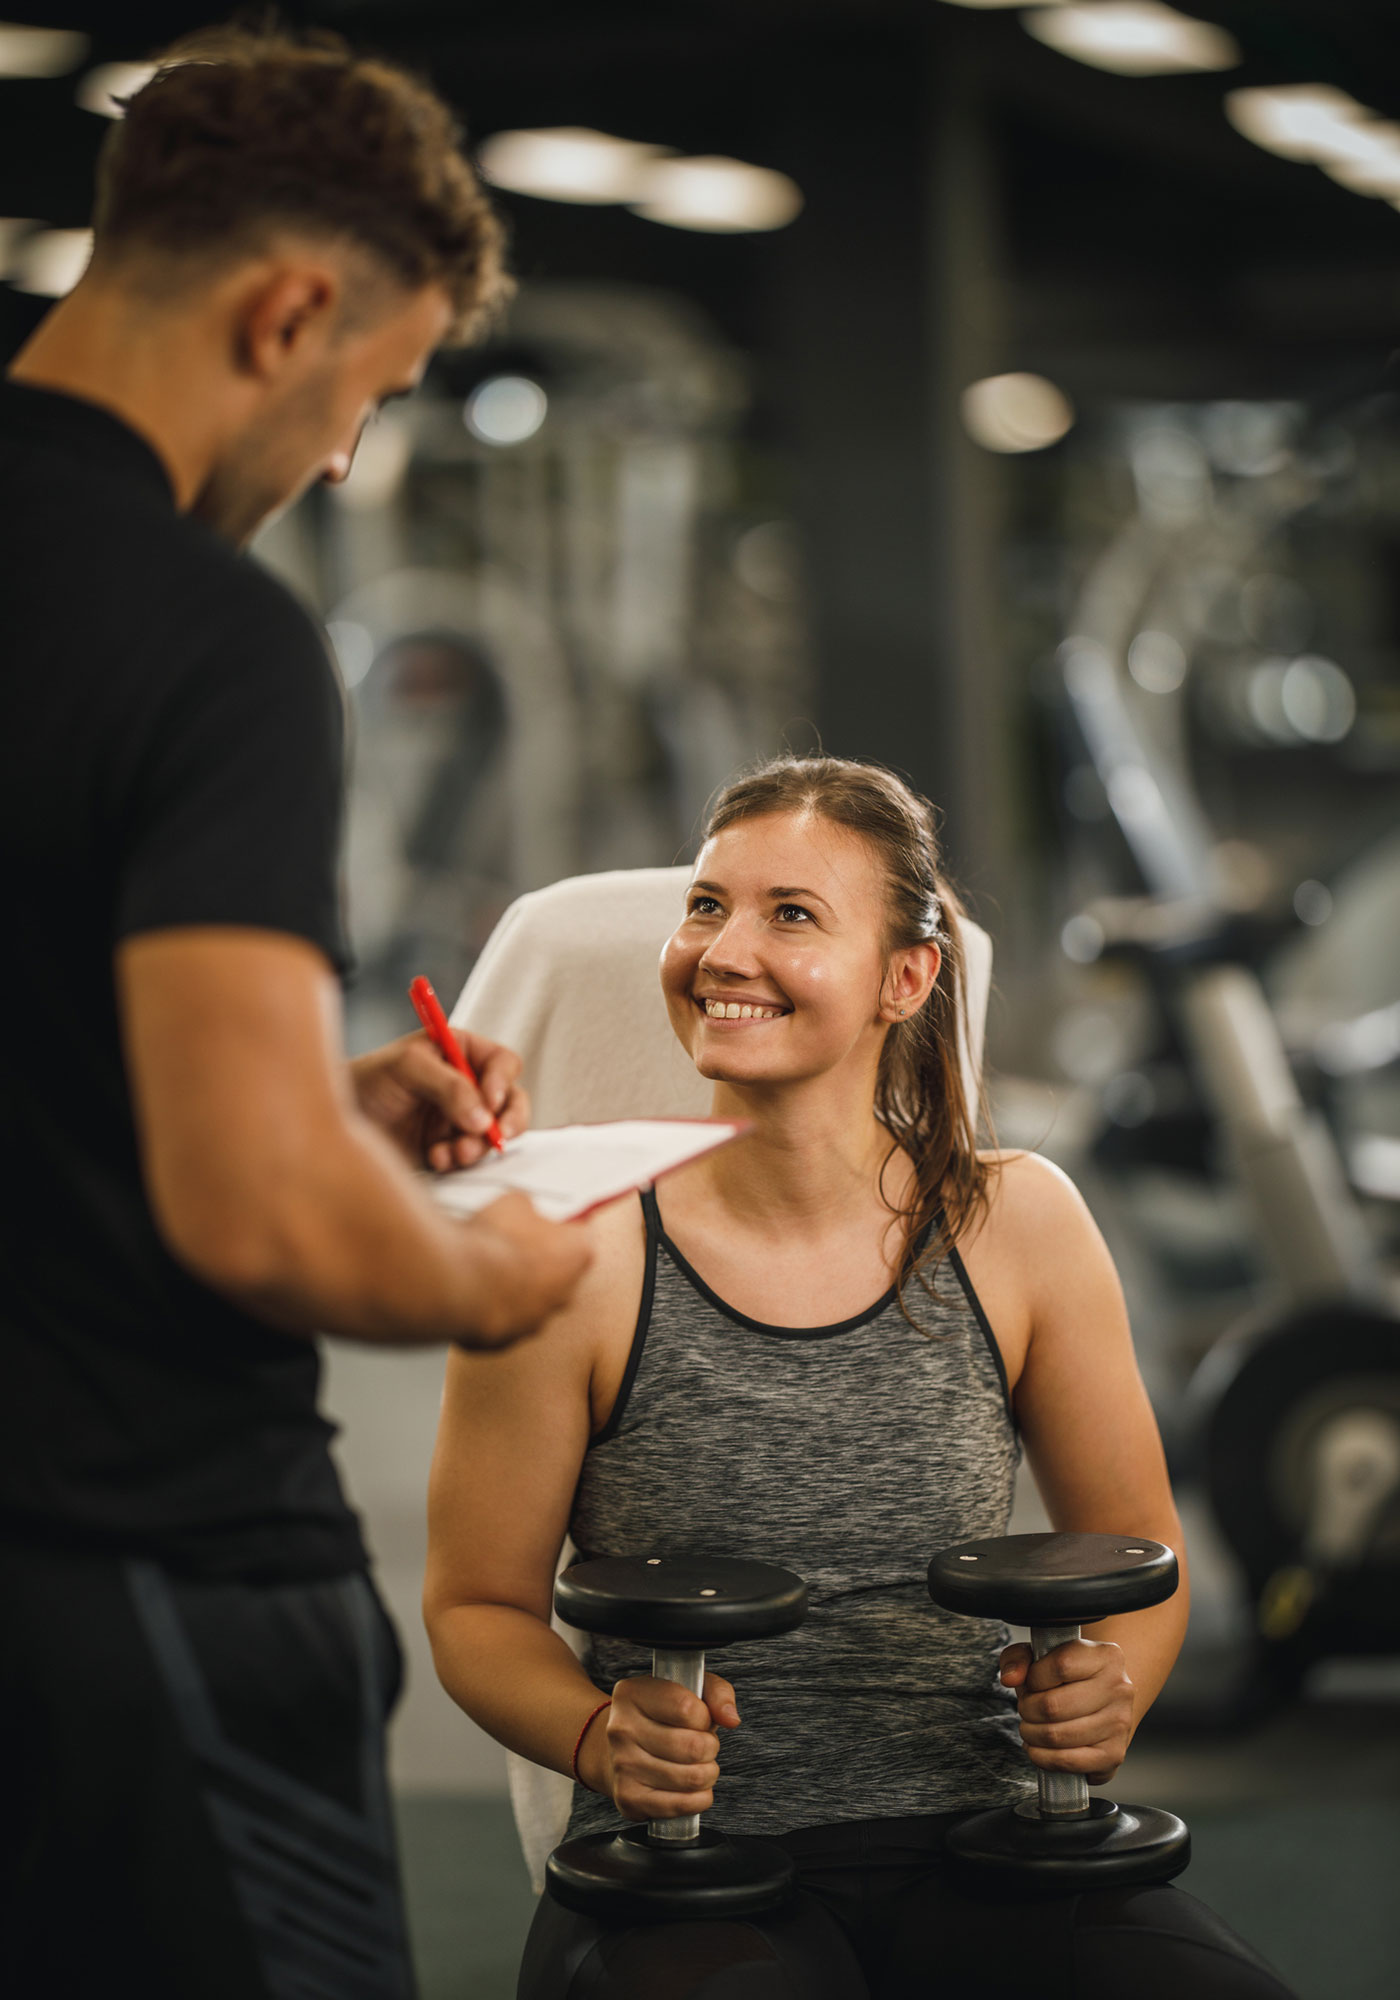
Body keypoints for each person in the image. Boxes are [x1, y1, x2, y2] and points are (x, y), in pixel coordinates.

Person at [0, 26, 590, 1998]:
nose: (346, 454)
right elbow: (251, 1213)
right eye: (372, 393)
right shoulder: (205, 633)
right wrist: (495, 1266)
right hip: (141, 1578)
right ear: (288, 310)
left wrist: (312, 1097)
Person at [424, 755, 1297, 1999]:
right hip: (696, 1866)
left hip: (985, 1841)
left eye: (790, 914)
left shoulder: (1018, 1224)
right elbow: (474, 1605)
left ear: (906, 976)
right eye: (705, 905)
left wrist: (1112, 1693)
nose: (723, 949)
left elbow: (1142, 1549)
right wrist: (595, 1736)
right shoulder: (572, 1243)